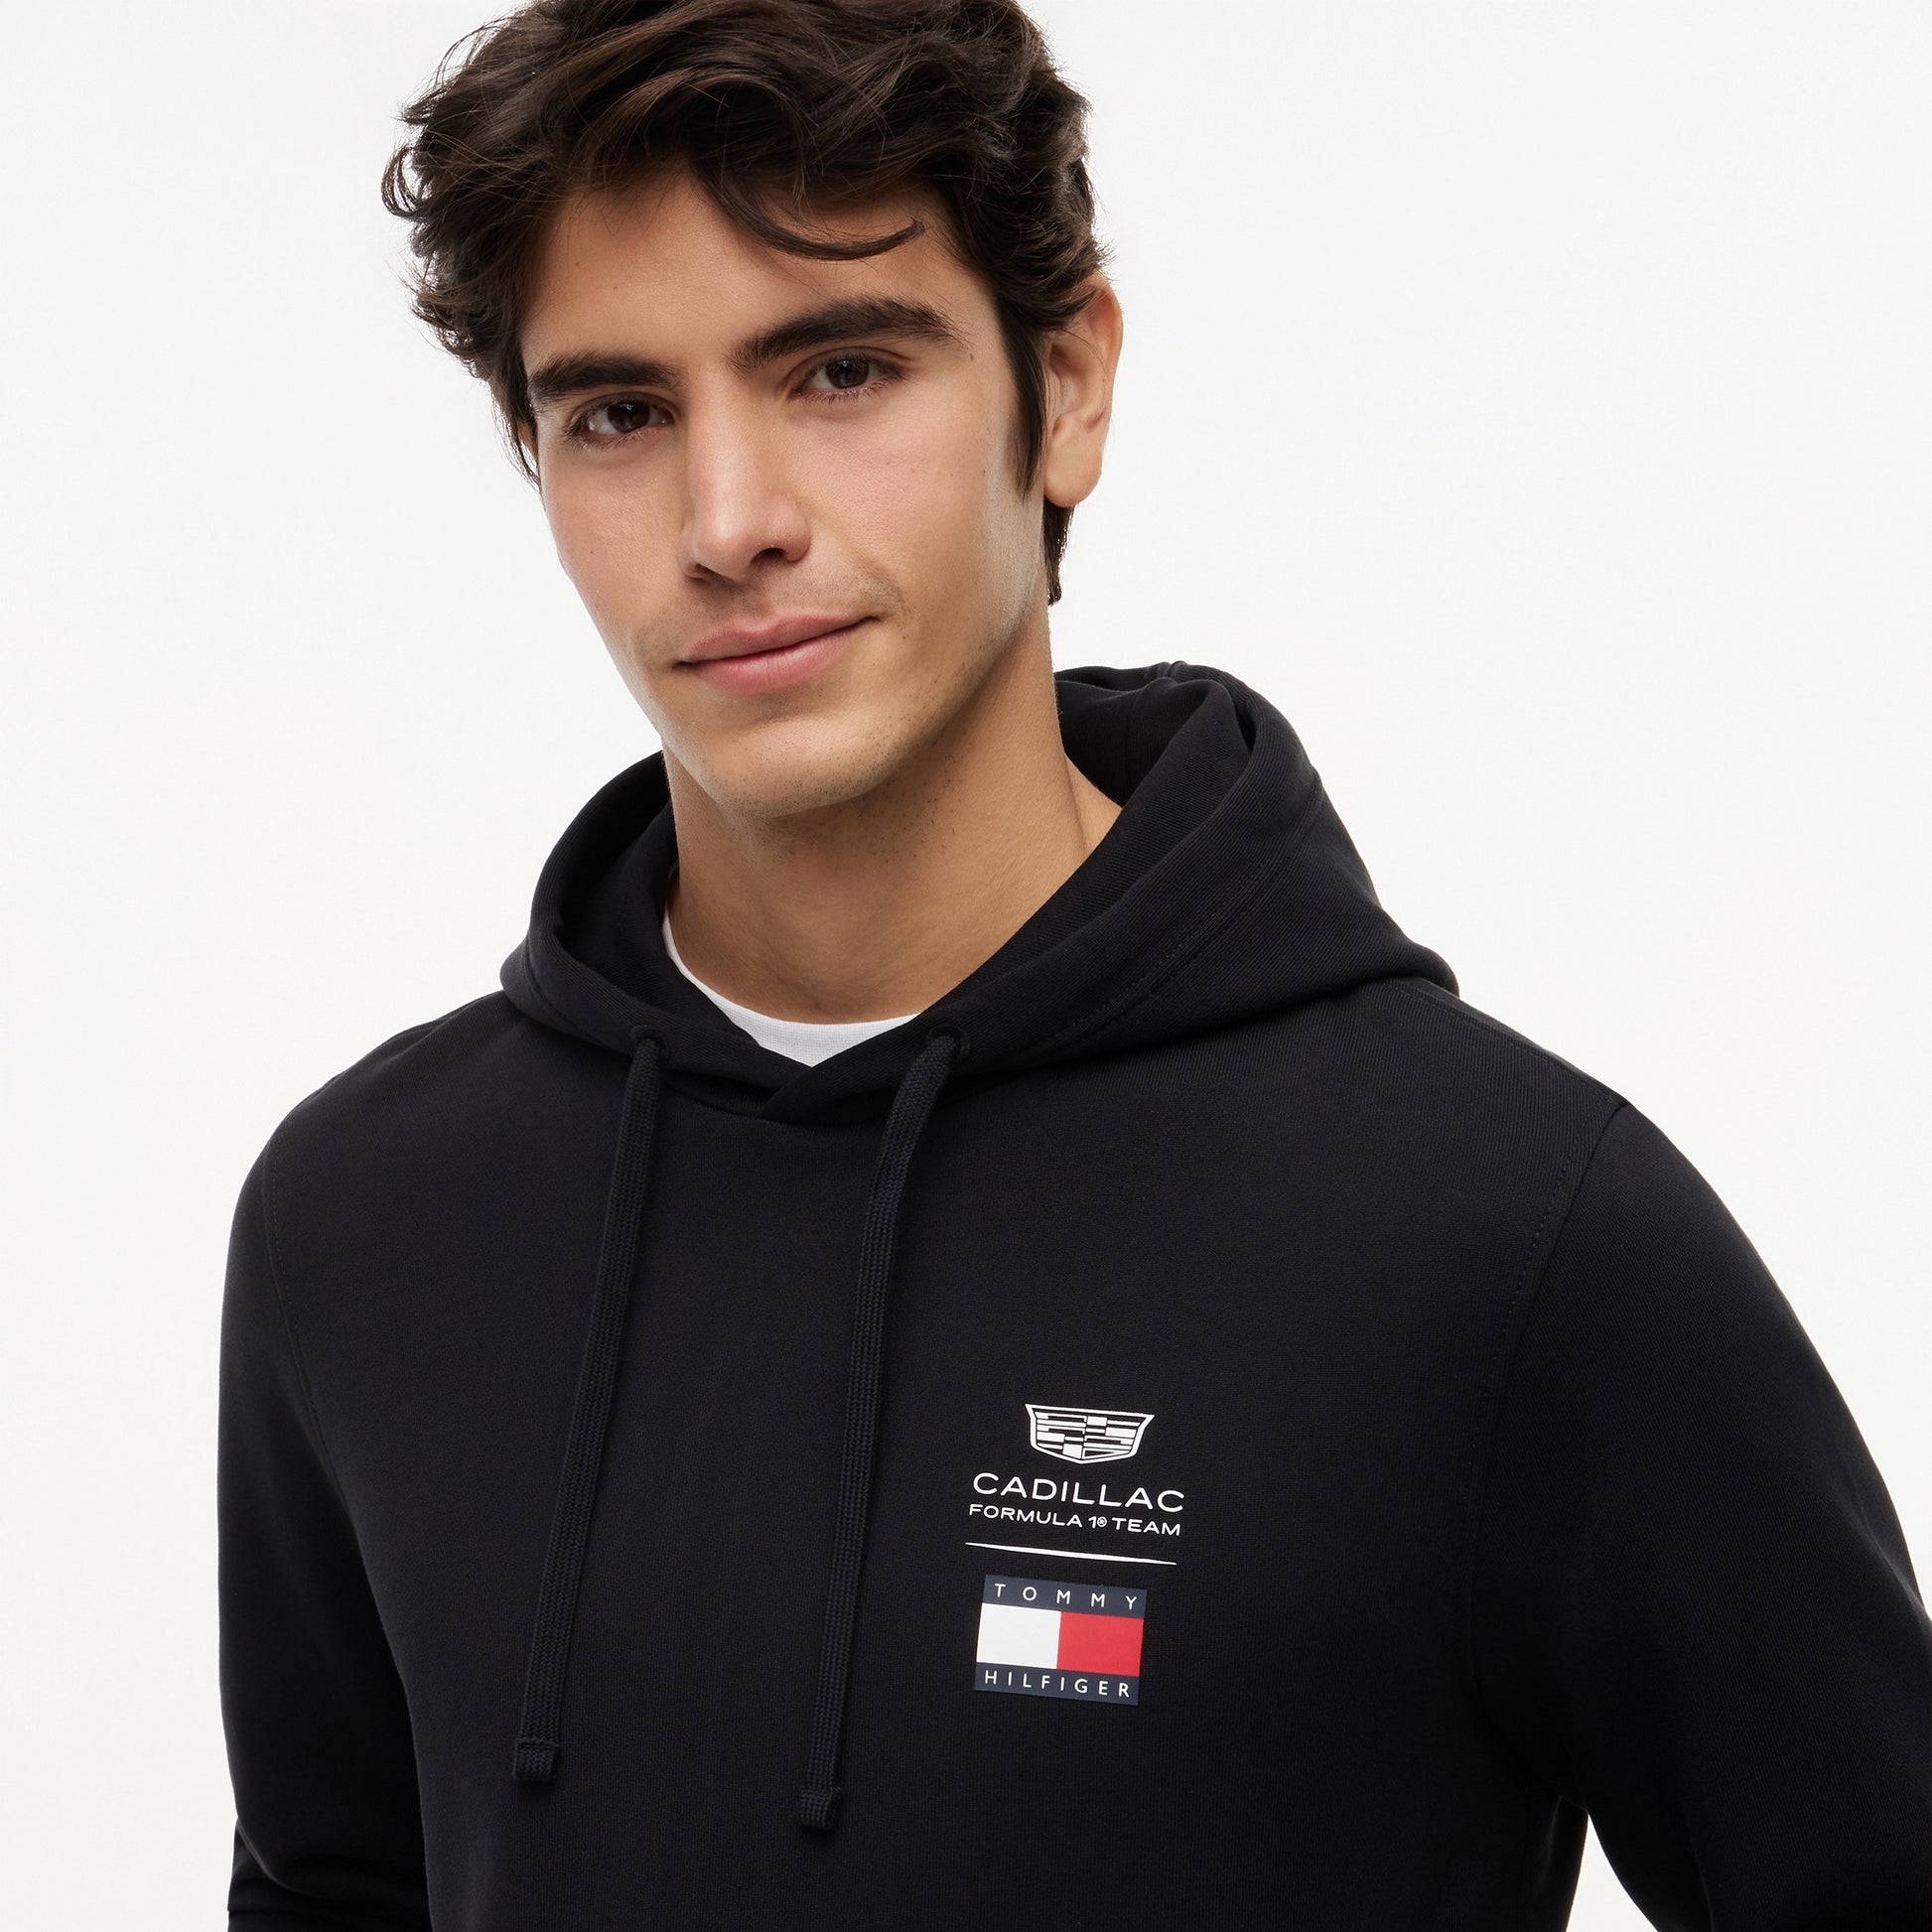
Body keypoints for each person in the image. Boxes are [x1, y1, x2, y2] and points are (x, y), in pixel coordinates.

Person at [215, 2, 1930, 1925]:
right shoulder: (364, 1225)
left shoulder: (1508, 1235)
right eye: (618, 412)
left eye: (841, 369)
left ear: (1071, 383)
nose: (729, 521)